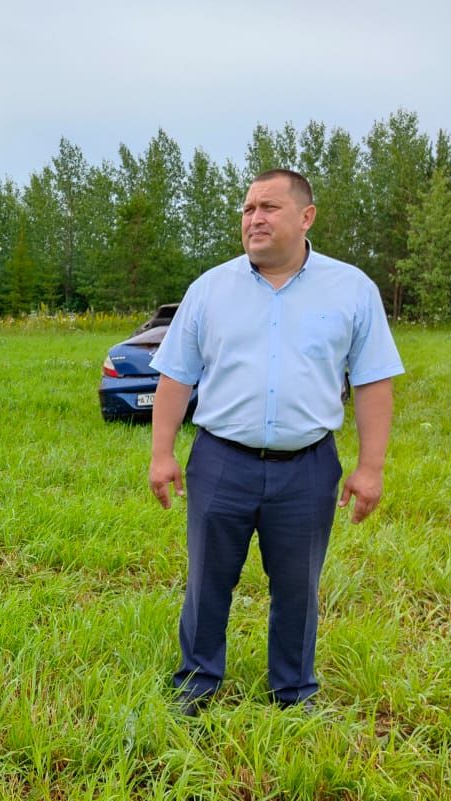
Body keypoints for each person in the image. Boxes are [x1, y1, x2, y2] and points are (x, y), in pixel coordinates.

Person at [147, 169, 403, 715]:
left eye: (268, 207)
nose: (254, 219)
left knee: (297, 587)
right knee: (207, 579)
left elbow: (374, 380)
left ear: (306, 217)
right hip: (220, 460)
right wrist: (162, 454)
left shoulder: (352, 289)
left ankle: (293, 691)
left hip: (308, 467)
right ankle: (196, 683)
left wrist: (370, 467)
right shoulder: (210, 289)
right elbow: (175, 377)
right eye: (247, 209)